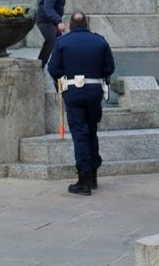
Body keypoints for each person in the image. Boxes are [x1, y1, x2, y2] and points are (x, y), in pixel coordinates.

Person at [47, 11, 115, 196]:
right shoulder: (100, 41)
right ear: (87, 24)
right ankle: (93, 175)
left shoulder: (62, 42)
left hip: (73, 93)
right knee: (91, 131)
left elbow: (53, 69)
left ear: (71, 25)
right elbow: (109, 68)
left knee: (80, 135)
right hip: (94, 92)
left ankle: (83, 180)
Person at [37, 0, 78, 67]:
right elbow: (48, 8)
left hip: (51, 21)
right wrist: (59, 21)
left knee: (59, 43)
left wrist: (58, 22)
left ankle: (59, 66)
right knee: (51, 42)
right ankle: (40, 65)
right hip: (45, 21)